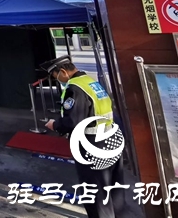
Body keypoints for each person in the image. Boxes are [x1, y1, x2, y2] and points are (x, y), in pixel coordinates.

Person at [43, 56, 125, 218]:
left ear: (63, 72)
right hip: (112, 137)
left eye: (55, 76)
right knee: (113, 188)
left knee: (95, 191)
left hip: (93, 144)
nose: (57, 80)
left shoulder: (74, 89)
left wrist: (55, 125)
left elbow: (73, 120)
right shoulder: (90, 82)